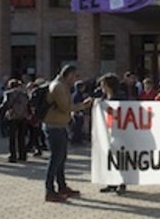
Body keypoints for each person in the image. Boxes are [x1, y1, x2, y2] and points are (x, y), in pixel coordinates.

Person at [43, 65, 92, 203]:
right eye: (75, 76)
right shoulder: (58, 86)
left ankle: (62, 186)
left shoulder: (62, 86)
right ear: (69, 75)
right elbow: (66, 108)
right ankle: (50, 191)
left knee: (61, 158)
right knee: (55, 159)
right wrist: (83, 105)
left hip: (60, 126)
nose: (76, 79)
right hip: (54, 127)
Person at [97, 73, 127, 195]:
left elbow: (122, 112)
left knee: (120, 158)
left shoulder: (120, 97)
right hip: (108, 132)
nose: (101, 87)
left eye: (103, 84)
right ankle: (111, 182)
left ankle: (122, 183)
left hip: (119, 132)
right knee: (109, 158)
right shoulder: (105, 97)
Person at [0, 79, 30, 163]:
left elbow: (5, 104)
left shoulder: (8, 93)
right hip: (23, 117)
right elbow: (28, 104)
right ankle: (22, 155)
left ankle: (13, 156)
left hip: (12, 117)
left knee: (12, 137)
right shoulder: (24, 94)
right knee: (21, 137)